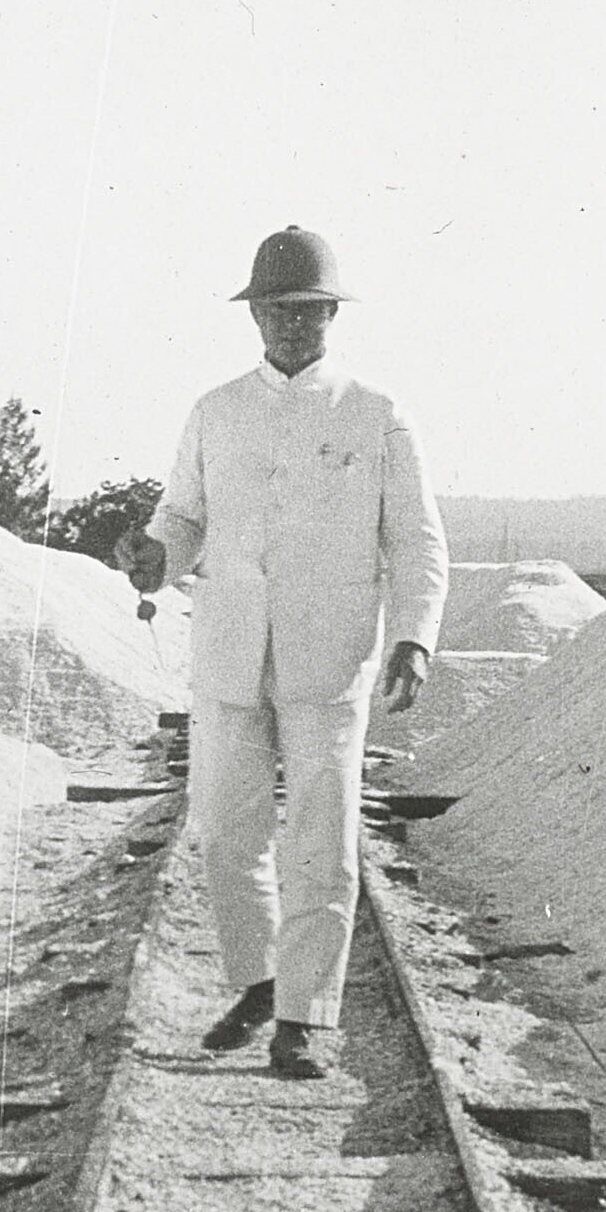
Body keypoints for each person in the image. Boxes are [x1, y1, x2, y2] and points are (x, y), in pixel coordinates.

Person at [122, 226, 441, 1082]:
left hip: (329, 659)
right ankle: (261, 981)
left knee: (322, 844)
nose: (292, 323)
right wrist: (156, 553)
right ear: (254, 314)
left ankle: (303, 1016)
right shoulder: (215, 411)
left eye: (308, 309)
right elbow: (183, 517)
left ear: (332, 313)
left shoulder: (376, 415)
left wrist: (413, 635)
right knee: (227, 834)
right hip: (231, 651)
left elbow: (415, 538)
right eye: (277, 309)